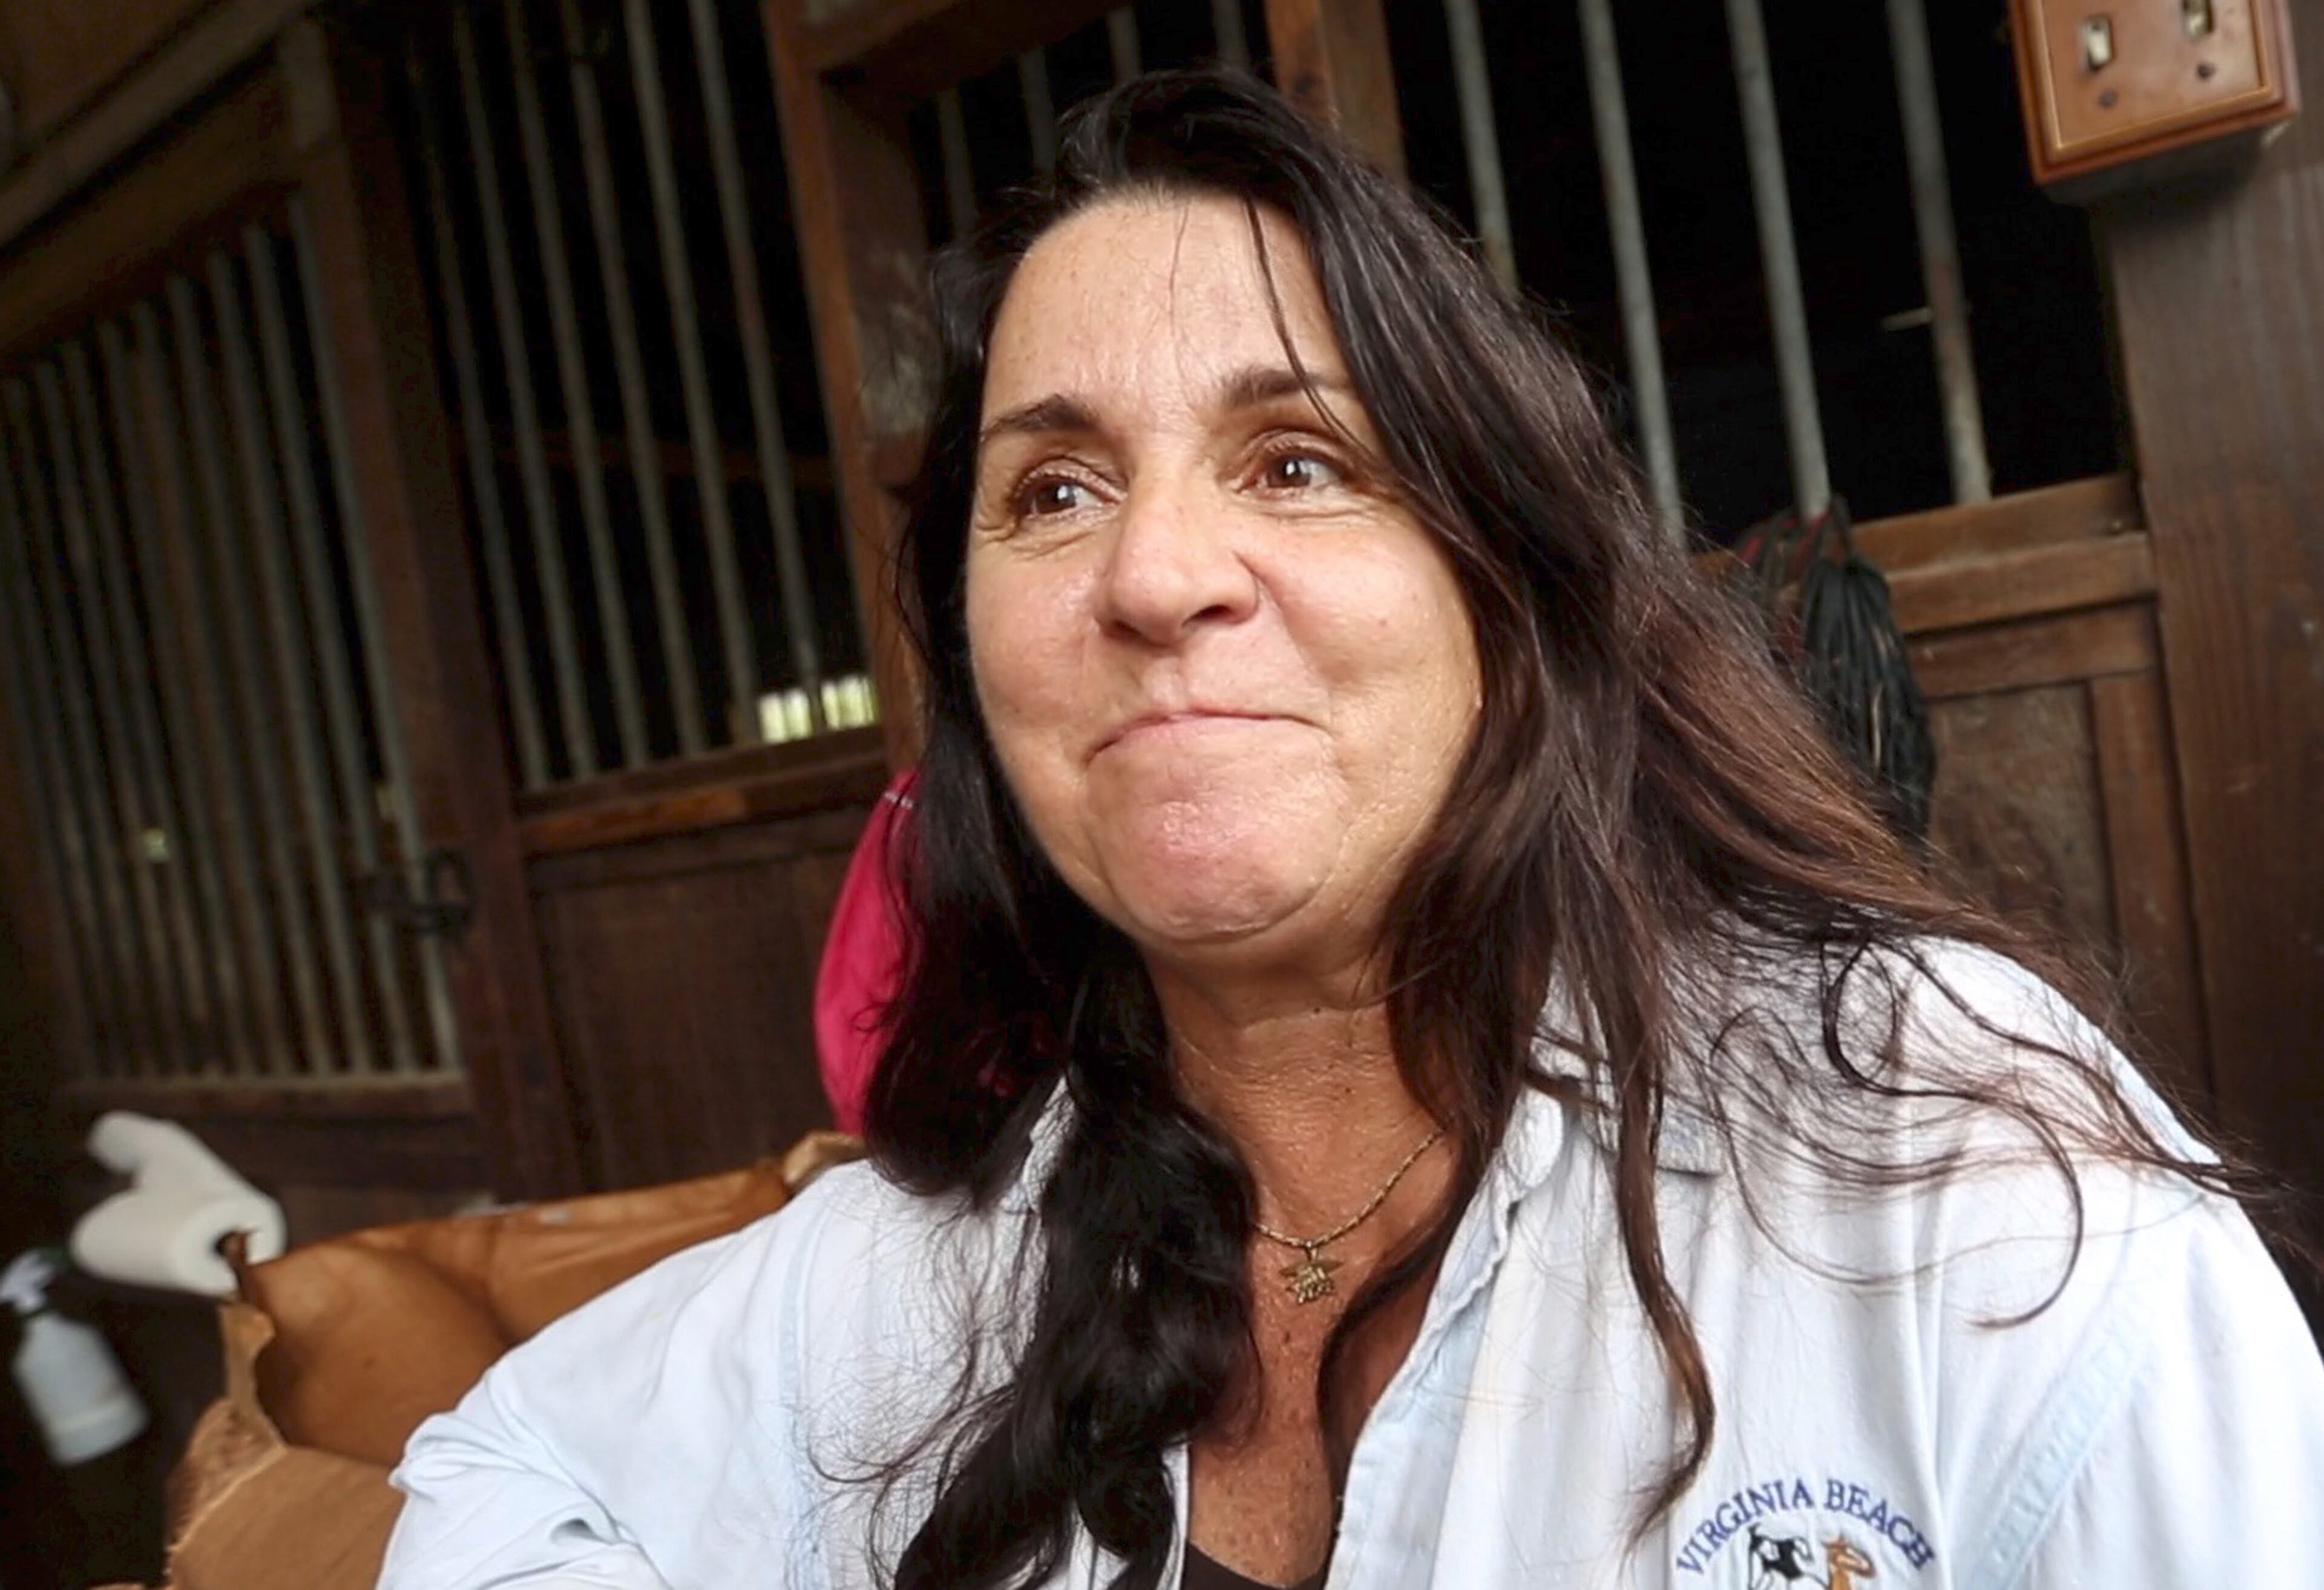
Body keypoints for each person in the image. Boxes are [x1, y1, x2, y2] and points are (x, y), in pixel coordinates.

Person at [378, 69, 2324, 1590]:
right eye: (1049, 489)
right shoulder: (922, 1268)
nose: (1153, 573)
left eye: (1296, 458)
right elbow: (497, 1471)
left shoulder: (1942, 1162)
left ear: (1511, 584)